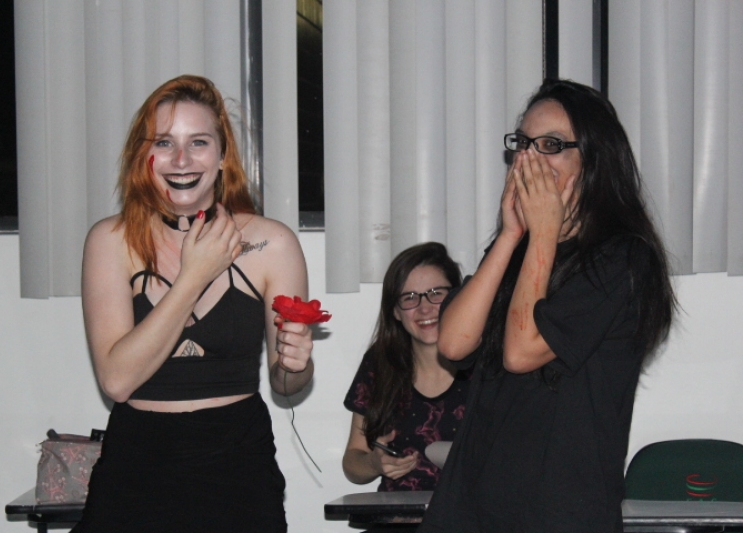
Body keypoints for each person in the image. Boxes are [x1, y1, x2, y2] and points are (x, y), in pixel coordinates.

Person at [418, 79, 677, 533]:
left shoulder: (623, 257)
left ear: (593, 159)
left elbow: (521, 353)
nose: (530, 159)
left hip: (558, 510)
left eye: (551, 145)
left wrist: (543, 234)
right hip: (471, 503)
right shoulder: (516, 248)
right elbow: (454, 344)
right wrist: (510, 235)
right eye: (523, 143)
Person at [73, 75, 314, 533]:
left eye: (198, 142)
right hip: (135, 468)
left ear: (222, 157)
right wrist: (195, 275)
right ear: (143, 157)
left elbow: (286, 382)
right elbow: (117, 381)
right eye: (164, 143)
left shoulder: (272, 243)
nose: (181, 160)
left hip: (237, 467)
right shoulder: (110, 241)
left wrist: (296, 363)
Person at [343, 242, 469, 494]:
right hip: (398, 513)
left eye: (436, 293)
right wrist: (374, 463)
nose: (424, 308)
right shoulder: (379, 363)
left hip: (469, 513)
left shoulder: (488, 364)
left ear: (458, 298)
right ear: (395, 312)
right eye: (409, 298)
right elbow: (352, 462)